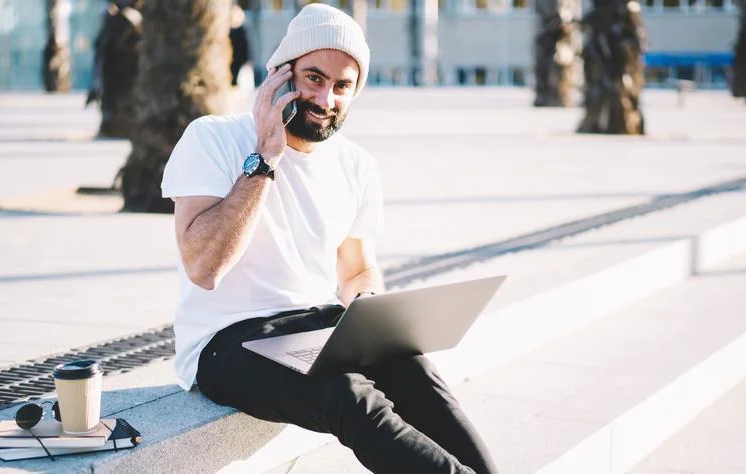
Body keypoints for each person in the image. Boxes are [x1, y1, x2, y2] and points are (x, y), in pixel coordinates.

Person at [160, 5, 497, 473]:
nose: (325, 98)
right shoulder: (214, 138)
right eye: (313, 79)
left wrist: (374, 322)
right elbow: (204, 268)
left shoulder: (356, 164)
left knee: (416, 375)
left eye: (342, 87)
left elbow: (356, 269)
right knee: (348, 397)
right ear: (280, 75)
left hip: (315, 326)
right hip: (225, 343)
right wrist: (265, 157)